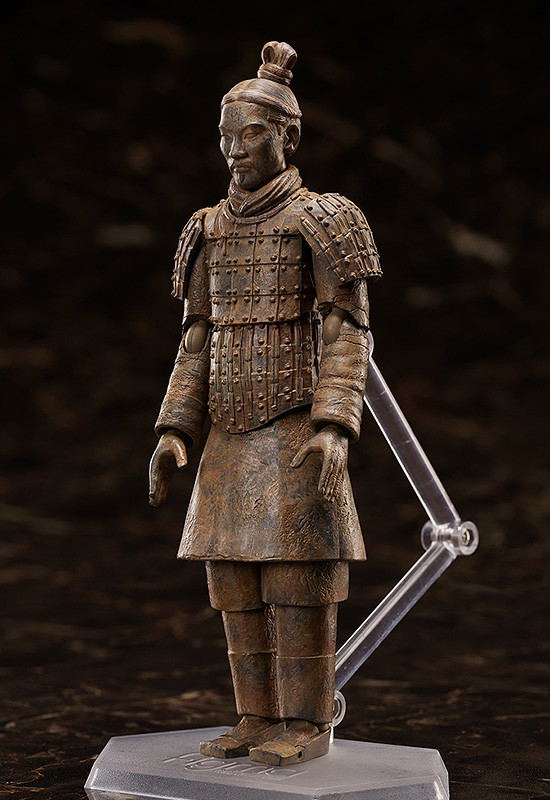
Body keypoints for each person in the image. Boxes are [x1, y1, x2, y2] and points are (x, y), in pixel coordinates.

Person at [149, 40, 382, 766]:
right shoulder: (207, 229)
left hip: (293, 428)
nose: (233, 150)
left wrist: (335, 424)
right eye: (225, 136)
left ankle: (306, 724)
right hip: (226, 431)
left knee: (297, 581)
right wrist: (174, 429)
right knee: (233, 582)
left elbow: (347, 330)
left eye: (249, 134)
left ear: (288, 136)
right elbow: (196, 339)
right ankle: (255, 716)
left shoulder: (324, 218)